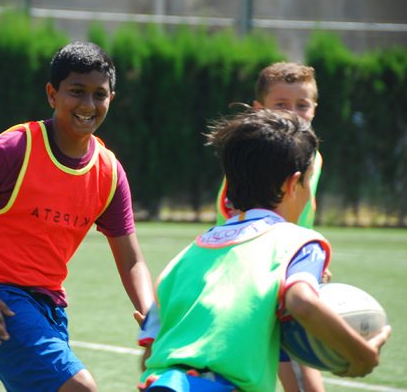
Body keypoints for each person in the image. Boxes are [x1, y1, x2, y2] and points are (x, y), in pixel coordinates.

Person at [0, 42, 154, 391]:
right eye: (76, 91)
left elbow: (131, 259)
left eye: (99, 95)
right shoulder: (14, 149)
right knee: (79, 388)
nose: (88, 105)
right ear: (52, 94)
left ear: (111, 98)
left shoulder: (109, 171)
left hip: (50, 303)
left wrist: (151, 318)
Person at [138, 108, 390, 391]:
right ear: (293, 184)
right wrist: (361, 355)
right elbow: (302, 302)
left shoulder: (183, 257)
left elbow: (148, 354)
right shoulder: (298, 243)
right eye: (309, 181)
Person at [215, 62, 326, 391]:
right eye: (281, 104)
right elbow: (239, 220)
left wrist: (308, 257)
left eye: (302, 105)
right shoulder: (257, 162)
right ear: (258, 109)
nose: (293, 113)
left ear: (315, 109)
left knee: (303, 376)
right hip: (253, 278)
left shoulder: (313, 158)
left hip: (287, 271)